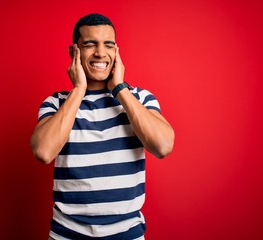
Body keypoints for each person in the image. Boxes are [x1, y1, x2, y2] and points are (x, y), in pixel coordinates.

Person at [30, 13, 174, 240]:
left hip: (127, 234)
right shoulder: (56, 103)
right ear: (73, 52)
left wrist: (120, 89)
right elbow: (43, 152)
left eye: (108, 45)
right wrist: (78, 89)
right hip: (66, 234)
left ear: (116, 51)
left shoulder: (140, 98)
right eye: (89, 44)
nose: (100, 52)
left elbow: (163, 146)